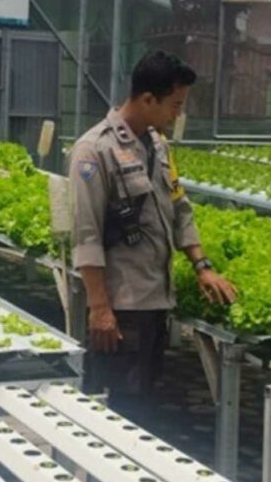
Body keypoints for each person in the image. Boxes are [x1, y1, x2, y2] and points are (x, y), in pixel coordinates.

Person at [69, 51, 236, 405]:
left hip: (156, 298)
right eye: (175, 104)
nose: (178, 113)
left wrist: (202, 266)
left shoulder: (158, 145)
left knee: (144, 397)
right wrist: (100, 308)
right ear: (148, 99)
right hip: (123, 304)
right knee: (121, 405)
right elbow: (86, 235)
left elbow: (179, 206)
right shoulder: (94, 150)